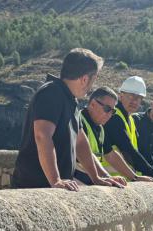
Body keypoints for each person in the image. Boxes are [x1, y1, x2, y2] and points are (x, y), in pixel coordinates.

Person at [12, 48, 124, 191]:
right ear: (84, 79)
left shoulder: (71, 101)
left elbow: (81, 143)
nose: (92, 86)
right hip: (34, 188)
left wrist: (97, 177)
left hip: (52, 188)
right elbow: (42, 135)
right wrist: (56, 180)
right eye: (94, 79)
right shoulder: (51, 92)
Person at [103, 76, 153, 185]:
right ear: (121, 95)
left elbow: (143, 151)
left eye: (139, 98)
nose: (134, 101)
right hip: (107, 179)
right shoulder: (115, 117)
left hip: (121, 180)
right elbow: (128, 150)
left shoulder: (130, 119)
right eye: (131, 96)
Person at [75, 86, 153, 184]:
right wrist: (106, 176)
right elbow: (87, 154)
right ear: (92, 104)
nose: (110, 114)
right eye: (107, 109)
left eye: (113, 111)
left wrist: (135, 177)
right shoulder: (78, 122)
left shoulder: (100, 127)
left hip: (88, 181)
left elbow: (110, 155)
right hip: (75, 182)